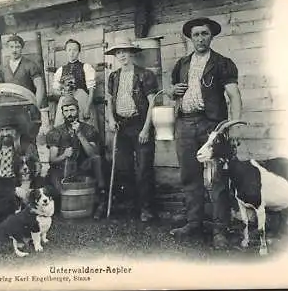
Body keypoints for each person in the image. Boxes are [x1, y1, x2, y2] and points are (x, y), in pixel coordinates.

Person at [165, 17, 242, 249]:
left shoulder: (222, 63)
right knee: (189, 176)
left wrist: (235, 125)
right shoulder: (182, 64)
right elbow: (172, 92)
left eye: (204, 34)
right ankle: (194, 223)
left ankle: (220, 229)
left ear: (211, 37)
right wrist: (171, 91)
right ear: (190, 38)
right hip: (185, 125)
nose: (200, 38)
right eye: (196, 34)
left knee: (217, 177)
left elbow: (234, 95)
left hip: (211, 127)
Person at [105, 37, 159, 222]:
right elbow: (109, 101)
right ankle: (131, 206)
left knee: (144, 168)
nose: (121, 55)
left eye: (124, 51)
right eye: (118, 52)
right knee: (124, 168)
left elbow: (153, 103)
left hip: (140, 125)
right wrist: (111, 120)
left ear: (131, 53)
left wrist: (146, 129)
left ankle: (147, 208)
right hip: (121, 126)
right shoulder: (113, 76)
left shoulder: (145, 75)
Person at [45, 95, 106, 216]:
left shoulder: (88, 129)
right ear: (62, 113)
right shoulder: (56, 132)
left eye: (72, 110)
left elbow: (93, 153)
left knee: (97, 160)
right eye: (66, 111)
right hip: (62, 170)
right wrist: (64, 155)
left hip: (82, 168)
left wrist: (79, 134)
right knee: (61, 193)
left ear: (78, 110)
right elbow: (52, 160)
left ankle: (102, 200)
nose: (69, 114)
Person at [0, 34, 49, 140]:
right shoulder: (3, 69)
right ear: (7, 49)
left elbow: (40, 86)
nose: (14, 50)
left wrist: (36, 106)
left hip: (26, 107)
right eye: (11, 47)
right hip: (10, 108)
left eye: (17, 47)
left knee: (28, 138)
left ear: (21, 48)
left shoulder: (30, 65)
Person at [52, 39, 97, 128]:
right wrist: (62, 93)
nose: (72, 53)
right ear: (66, 51)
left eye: (75, 50)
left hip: (82, 100)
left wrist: (87, 107)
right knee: (64, 128)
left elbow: (91, 90)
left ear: (79, 52)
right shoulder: (61, 70)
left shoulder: (86, 67)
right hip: (66, 101)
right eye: (69, 50)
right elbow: (55, 90)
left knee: (84, 127)